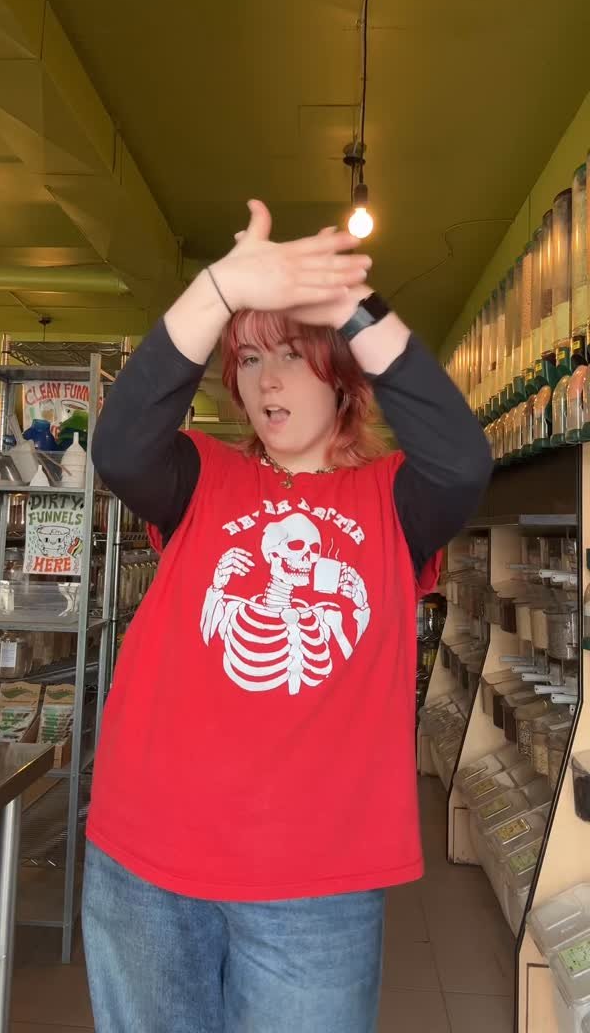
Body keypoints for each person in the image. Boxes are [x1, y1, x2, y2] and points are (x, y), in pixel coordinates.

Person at [83, 200, 492, 1033]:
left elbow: (461, 460)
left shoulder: (394, 499)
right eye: (249, 359)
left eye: (294, 358)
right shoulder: (199, 476)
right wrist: (218, 289)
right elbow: (120, 446)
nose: (267, 380)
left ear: (342, 377)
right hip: (148, 854)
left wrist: (349, 307)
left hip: (318, 881)